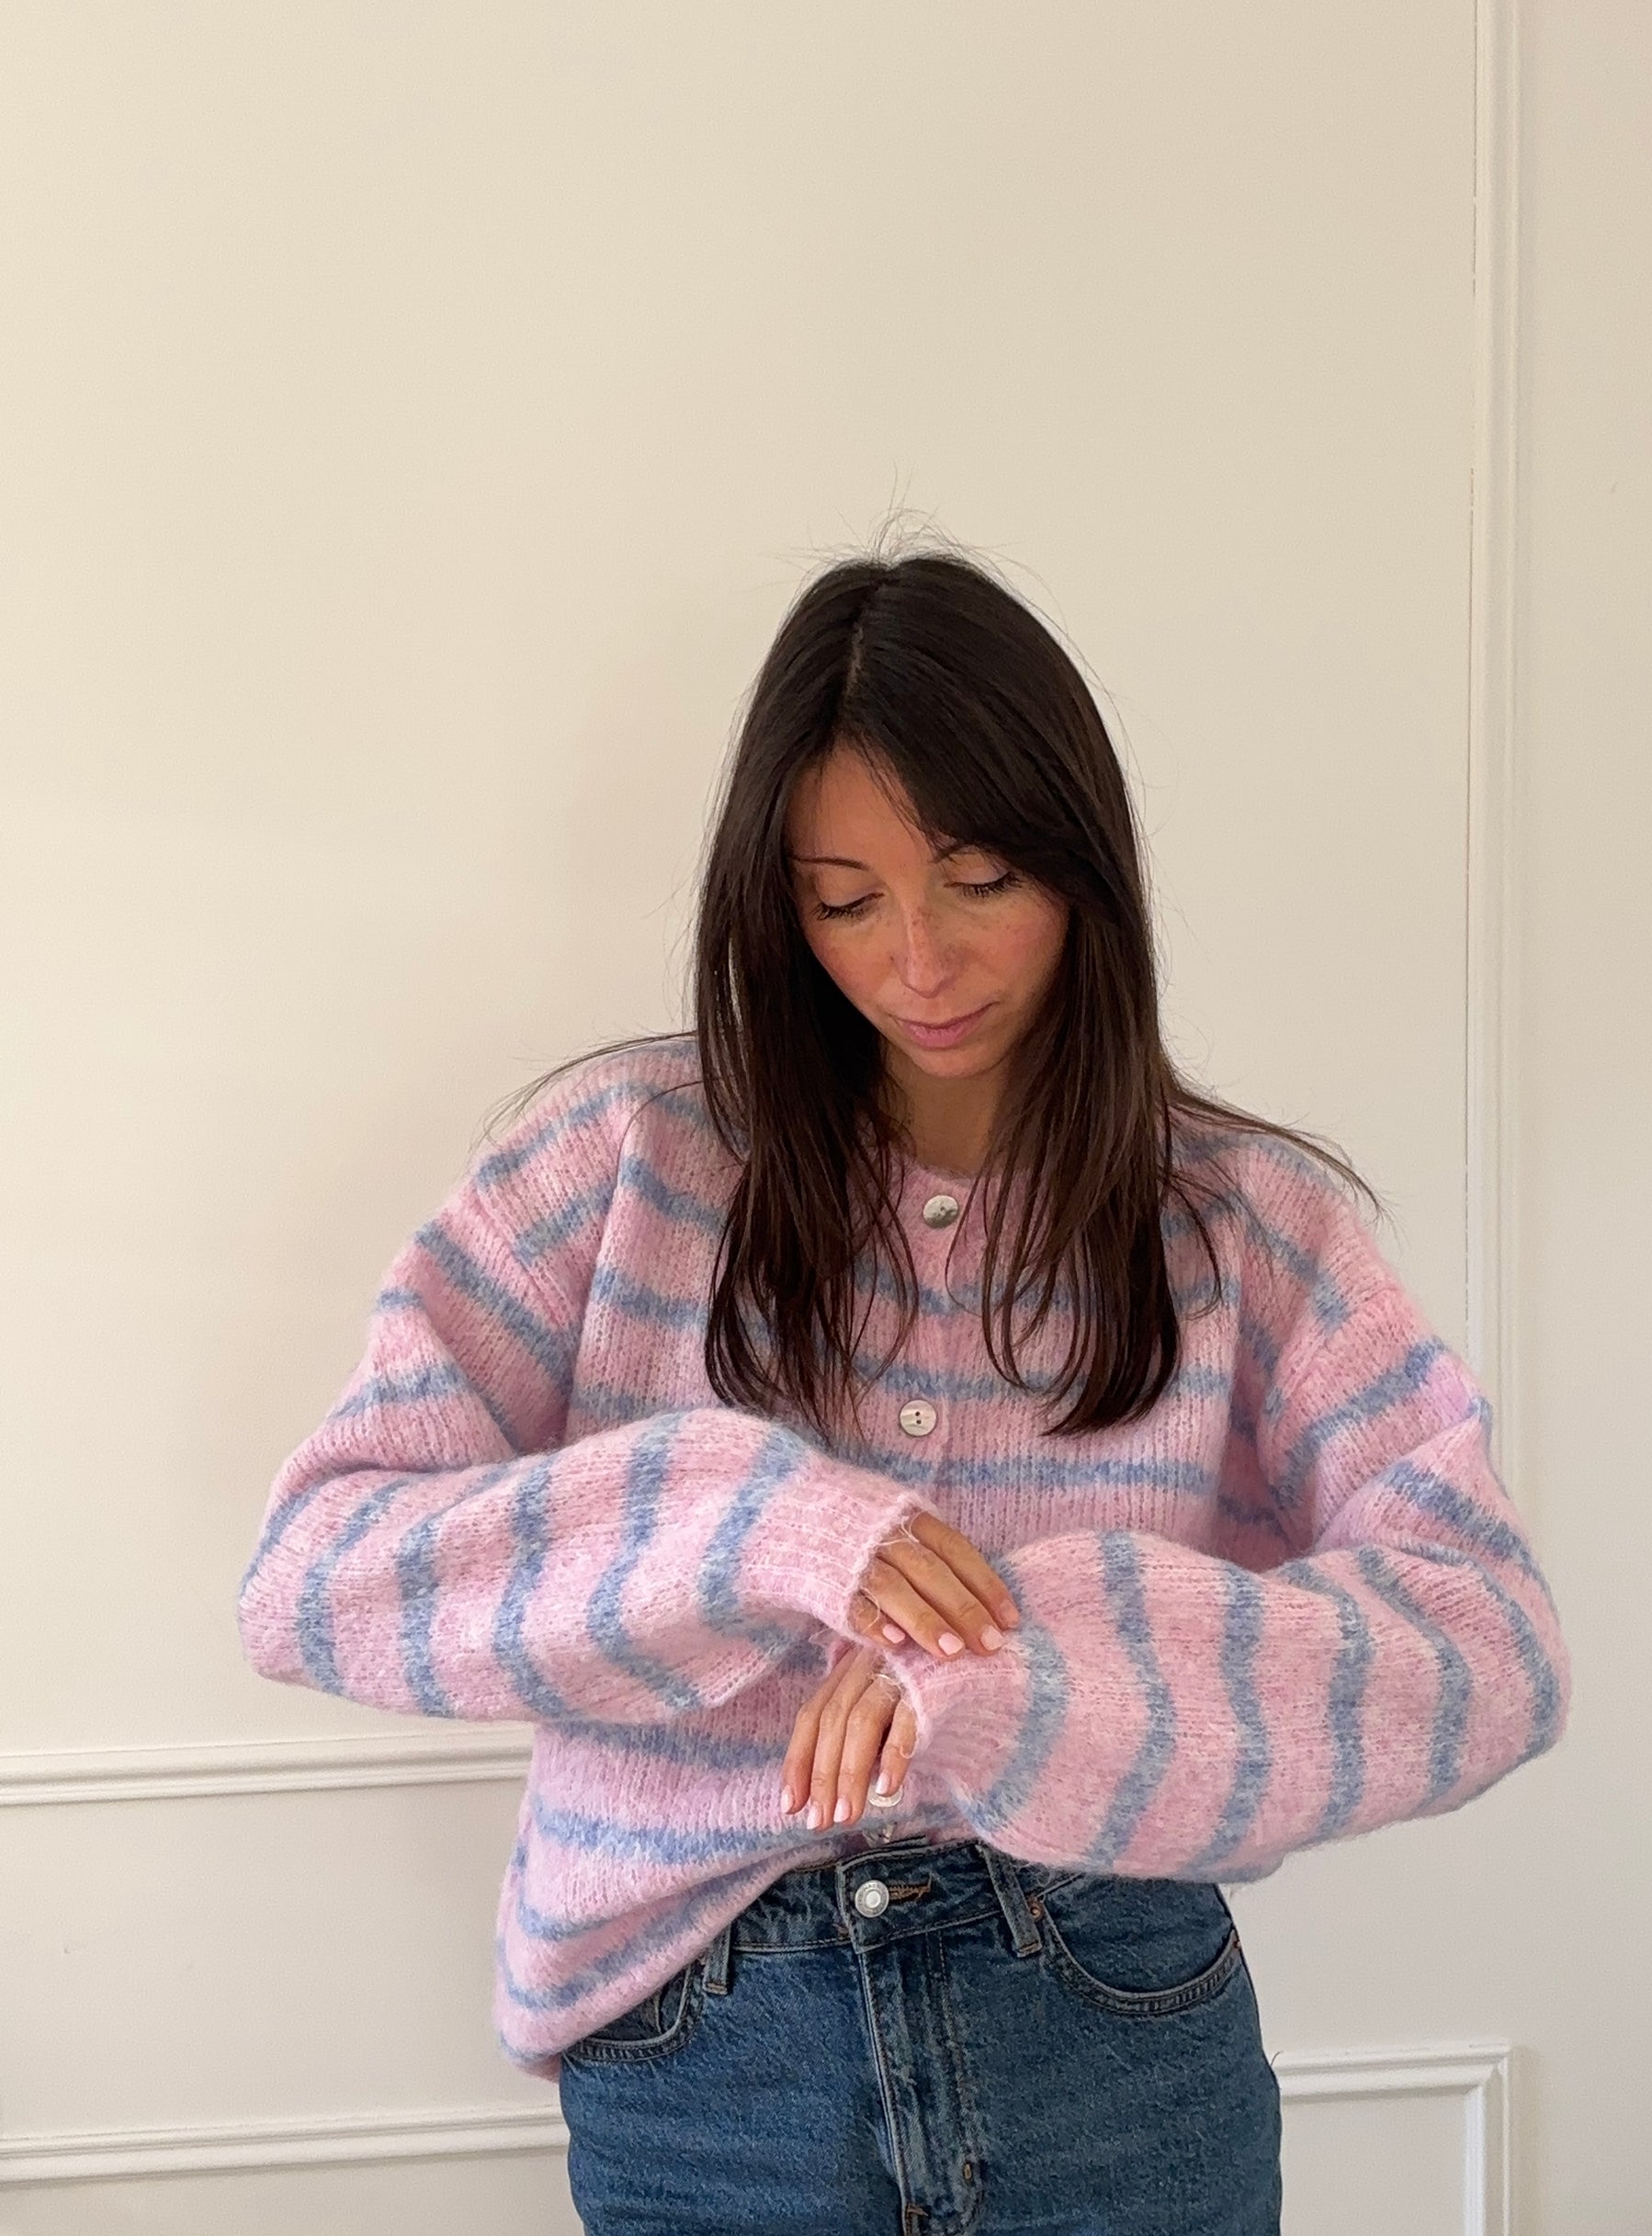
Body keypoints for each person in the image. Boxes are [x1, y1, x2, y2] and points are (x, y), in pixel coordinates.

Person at [235, 544, 1572, 2235]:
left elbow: (1490, 1649)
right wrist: (756, 1522)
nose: (919, 960)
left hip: (1108, 2029)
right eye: (844, 899)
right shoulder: (617, 1162)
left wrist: (1024, 1649)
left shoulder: (1243, 1223)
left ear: (1082, 865)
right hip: (704, 2061)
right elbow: (315, 1575)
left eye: (978, 877)